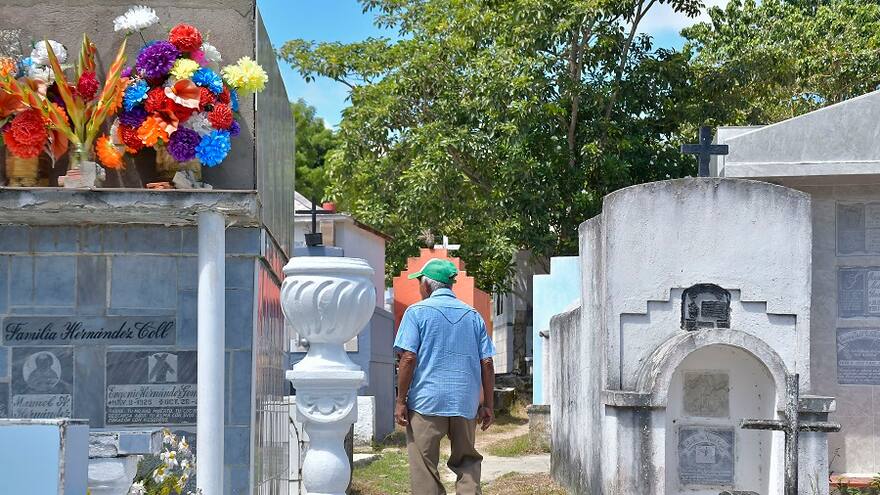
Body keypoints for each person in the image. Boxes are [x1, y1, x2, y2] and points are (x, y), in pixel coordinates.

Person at [393, 258, 496, 495]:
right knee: (467, 462)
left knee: (425, 467)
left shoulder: (416, 312)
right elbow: (487, 362)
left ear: (427, 286)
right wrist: (488, 404)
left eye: (420, 282)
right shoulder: (472, 315)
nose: (419, 287)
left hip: (426, 404)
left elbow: (408, 358)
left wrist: (400, 400)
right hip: (464, 403)